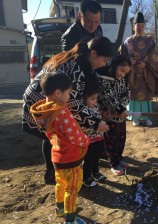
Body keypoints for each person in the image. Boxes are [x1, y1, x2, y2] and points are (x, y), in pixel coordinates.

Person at [22, 36, 112, 185]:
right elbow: (73, 104)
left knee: (55, 135)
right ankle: (56, 174)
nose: (104, 64)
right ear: (94, 53)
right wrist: (95, 122)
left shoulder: (84, 63)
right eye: (104, 60)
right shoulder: (75, 67)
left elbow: (79, 98)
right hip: (39, 100)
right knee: (53, 136)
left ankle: (58, 173)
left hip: (50, 99)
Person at [30, 72, 90, 224]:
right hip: (71, 157)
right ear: (58, 92)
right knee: (72, 188)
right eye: (69, 93)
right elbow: (75, 135)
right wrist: (86, 140)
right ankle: (70, 220)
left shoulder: (45, 111)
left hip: (57, 155)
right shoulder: (62, 112)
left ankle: (60, 209)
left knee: (60, 184)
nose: (69, 97)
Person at [118, 11, 158, 126]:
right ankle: (135, 117)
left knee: (146, 97)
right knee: (133, 95)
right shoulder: (128, 41)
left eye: (142, 25)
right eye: (138, 25)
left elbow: (155, 54)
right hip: (132, 74)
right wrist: (128, 61)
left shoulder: (149, 40)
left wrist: (146, 62)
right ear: (134, 26)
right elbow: (121, 55)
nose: (140, 28)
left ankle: (147, 117)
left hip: (146, 73)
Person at [97, 55, 132, 175]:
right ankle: (113, 163)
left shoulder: (124, 79)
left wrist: (122, 108)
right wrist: (119, 109)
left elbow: (127, 94)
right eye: (121, 71)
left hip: (120, 115)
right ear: (114, 65)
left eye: (125, 73)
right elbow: (106, 96)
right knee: (111, 139)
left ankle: (119, 158)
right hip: (107, 115)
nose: (123, 74)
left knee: (121, 136)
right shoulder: (104, 77)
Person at [81, 77, 107, 187]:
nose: (95, 101)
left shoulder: (96, 106)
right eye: (92, 99)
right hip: (89, 139)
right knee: (89, 159)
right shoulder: (82, 111)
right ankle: (86, 177)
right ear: (83, 98)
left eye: (96, 98)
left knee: (97, 156)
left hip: (99, 137)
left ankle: (95, 172)